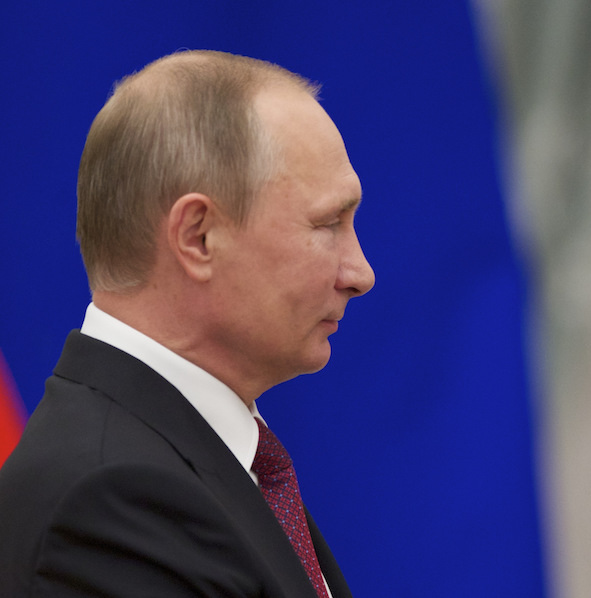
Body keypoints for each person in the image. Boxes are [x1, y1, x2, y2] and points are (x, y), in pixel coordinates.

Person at [0, 50, 373, 597]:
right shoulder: (107, 503)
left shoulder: (177, 461)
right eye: (327, 223)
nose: (360, 273)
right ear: (198, 237)